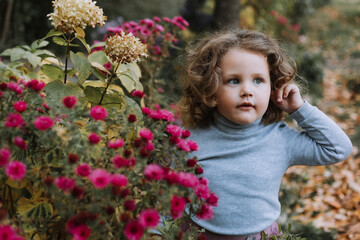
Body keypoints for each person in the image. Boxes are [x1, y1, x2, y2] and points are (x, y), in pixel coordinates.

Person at [178, 29, 353, 240]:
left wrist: (299, 109)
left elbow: (338, 149)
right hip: (197, 235)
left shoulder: (280, 139)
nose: (247, 91)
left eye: (258, 80)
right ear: (210, 87)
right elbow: (164, 193)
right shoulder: (190, 140)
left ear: (274, 87)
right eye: (234, 80)